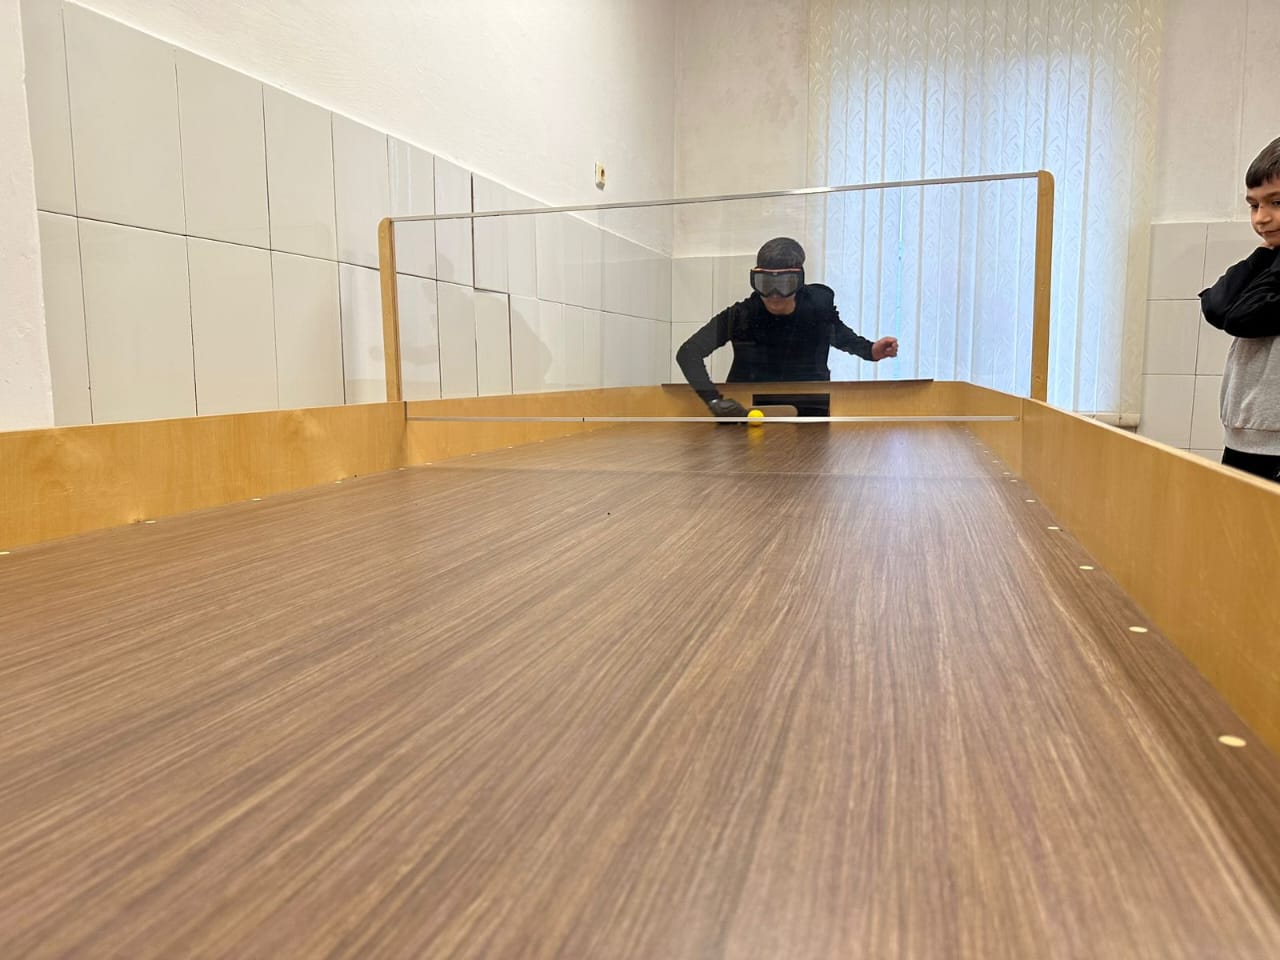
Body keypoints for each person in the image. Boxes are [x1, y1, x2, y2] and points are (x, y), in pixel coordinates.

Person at [675, 237, 898, 417]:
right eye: (766, 284)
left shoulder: (818, 305)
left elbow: (840, 335)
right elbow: (688, 352)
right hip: (748, 413)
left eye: (784, 284)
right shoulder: (741, 315)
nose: (774, 295)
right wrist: (713, 400)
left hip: (811, 409)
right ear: (755, 280)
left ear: (799, 280)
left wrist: (870, 350)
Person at [1199, 136, 1280, 483]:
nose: (1262, 218)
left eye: (1277, 202)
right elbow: (1217, 306)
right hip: (1246, 438)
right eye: (1253, 205)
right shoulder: (1269, 260)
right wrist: (1263, 254)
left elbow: (1240, 317)